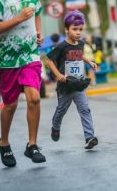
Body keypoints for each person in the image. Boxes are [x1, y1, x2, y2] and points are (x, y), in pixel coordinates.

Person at [0, 0, 46, 167]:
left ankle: (32, 145)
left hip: (30, 56)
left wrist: (39, 33)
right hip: (8, 59)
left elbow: (37, 14)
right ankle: (4, 143)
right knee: (10, 105)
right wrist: (19, 18)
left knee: (35, 99)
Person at [46, 10, 98, 150]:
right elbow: (49, 60)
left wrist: (89, 62)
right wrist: (58, 75)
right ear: (66, 30)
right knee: (61, 109)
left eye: (80, 29)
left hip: (79, 84)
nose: (78, 32)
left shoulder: (80, 44)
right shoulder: (61, 46)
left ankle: (89, 137)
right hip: (66, 85)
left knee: (85, 109)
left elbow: (80, 55)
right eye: (74, 29)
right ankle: (55, 126)